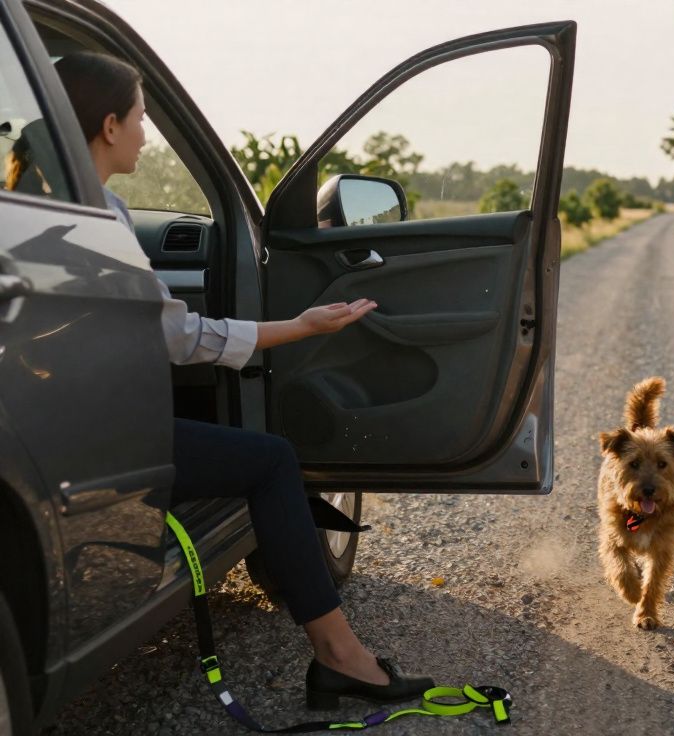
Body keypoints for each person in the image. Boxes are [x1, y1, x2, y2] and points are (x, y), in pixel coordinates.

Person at [54, 51, 433, 707]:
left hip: (61, 421)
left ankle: (338, 653)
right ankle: (340, 655)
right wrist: (302, 327)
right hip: (100, 439)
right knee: (271, 460)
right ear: (110, 125)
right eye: (142, 118)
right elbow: (176, 337)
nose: (146, 133)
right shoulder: (98, 217)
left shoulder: (39, 203)